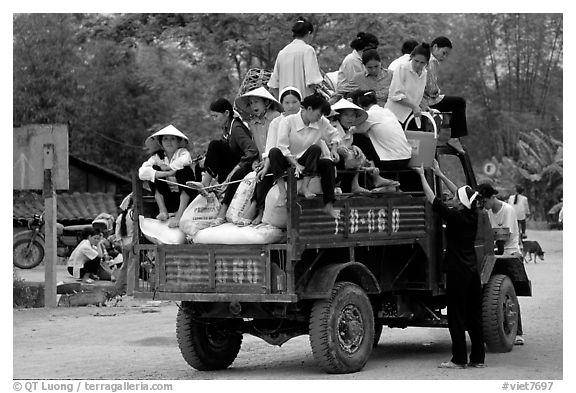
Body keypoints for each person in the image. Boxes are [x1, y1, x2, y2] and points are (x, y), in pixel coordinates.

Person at [415, 160, 485, 369]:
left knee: (456, 317)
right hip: (472, 272)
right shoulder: (472, 214)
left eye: (454, 198)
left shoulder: (455, 216)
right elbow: (463, 194)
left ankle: (459, 359)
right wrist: (440, 173)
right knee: (474, 315)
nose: (451, 198)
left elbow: (432, 199)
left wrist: (421, 175)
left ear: (460, 203)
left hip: (457, 272)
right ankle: (478, 359)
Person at [270, 94, 342, 218]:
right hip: (288, 161)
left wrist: (334, 149)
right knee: (274, 152)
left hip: (308, 164)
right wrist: (295, 164)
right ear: (309, 109)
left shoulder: (321, 122)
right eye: (319, 114)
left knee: (325, 160)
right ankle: (282, 193)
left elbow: (335, 135)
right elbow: (282, 146)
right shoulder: (288, 121)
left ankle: (326, 203)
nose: (320, 118)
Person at [196, 98, 259, 226]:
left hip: (246, 164)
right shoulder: (226, 127)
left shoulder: (236, 128)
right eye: (212, 116)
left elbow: (252, 151)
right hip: (233, 161)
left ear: (226, 113)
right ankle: (205, 189)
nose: (214, 119)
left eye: (216, 116)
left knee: (214, 146)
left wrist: (236, 168)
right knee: (199, 165)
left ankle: (206, 188)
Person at [477, 183, 525, 346]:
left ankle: (517, 332)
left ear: (492, 197)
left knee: (508, 292)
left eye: (485, 201)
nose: (484, 204)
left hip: (509, 252)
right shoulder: (487, 211)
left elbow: (503, 237)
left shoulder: (507, 210)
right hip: (495, 252)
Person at [249, 86, 303, 225]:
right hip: (281, 162)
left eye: (294, 102)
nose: (291, 106)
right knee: (264, 174)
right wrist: (265, 168)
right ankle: (264, 207)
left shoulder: (306, 118)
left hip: (301, 160)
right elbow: (270, 147)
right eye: (287, 103)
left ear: (300, 103)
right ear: (282, 104)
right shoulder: (277, 122)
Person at [329, 97, 397, 192]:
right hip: (333, 163)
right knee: (352, 156)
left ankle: (374, 180)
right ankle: (359, 185)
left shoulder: (350, 131)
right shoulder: (332, 127)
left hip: (348, 164)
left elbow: (347, 146)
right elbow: (332, 146)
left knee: (358, 154)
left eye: (352, 115)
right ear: (339, 116)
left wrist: (354, 148)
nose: (350, 118)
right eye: (346, 115)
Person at [138, 125, 197, 228]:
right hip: (168, 198)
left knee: (184, 171)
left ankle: (179, 215)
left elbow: (185, 160)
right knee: (153, 171)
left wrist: (169, 167)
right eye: (165, 139)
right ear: (161, 142)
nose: (169, 142)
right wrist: (166, 173)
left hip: (184, 198)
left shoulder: (182, 152)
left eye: (173, 139)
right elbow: (142, 173)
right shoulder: (157, 157)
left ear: (178, 142)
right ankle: (163, 211)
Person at [420, 36, 468, 154]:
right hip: (428, 101)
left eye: (447, 55)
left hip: (423, 99)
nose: (444, 57)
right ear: (435, 47)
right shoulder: (431, 61)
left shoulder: (424, 58)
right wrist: (437, 91)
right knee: (459, 102)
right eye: (444, 53)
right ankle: (454, 138)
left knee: (454, 101)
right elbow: (431, 89)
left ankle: (450, 136)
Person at [353, 90, 412, 172]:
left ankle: (370, 171)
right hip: (406, 158)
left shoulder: (370, 115)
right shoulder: (387, 112)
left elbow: (356, 130)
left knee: (357, 137)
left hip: (390, 161)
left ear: (360, 106)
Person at [267, 17, 324, 100]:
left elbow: (273, 85)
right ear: (308, 33)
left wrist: (282, 103)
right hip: (303, 104)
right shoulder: (307, 50)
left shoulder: (282, 52)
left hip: (285, 107)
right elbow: (312, 82)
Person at [385, 42, 430, 128]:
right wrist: (414, 106)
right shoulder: (402, 69)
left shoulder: (424, 73)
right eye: (416, 61)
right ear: (411, 57)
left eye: (422, 63)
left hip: (411, 116)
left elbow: (416, 96)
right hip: (395, 115)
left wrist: (424, 106)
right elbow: (395, 95)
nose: (418, 65)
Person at [234, 86, 283, 159]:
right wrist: (255, 162)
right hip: (261, 162)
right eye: (251, 103)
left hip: (275, 159)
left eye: (256, 101)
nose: (253, 105)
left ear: (266, 102)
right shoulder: (252, 123)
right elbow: (254, 147)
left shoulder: (276, 117)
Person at [112, 193, 134, 296]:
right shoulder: (133, 215)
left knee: (125, 266)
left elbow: (117, 234)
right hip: (132, 242)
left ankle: (118, 288)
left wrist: (121, 243)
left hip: (124, 244)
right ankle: (130, 290)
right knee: (131, 267)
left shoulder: (121, 216)